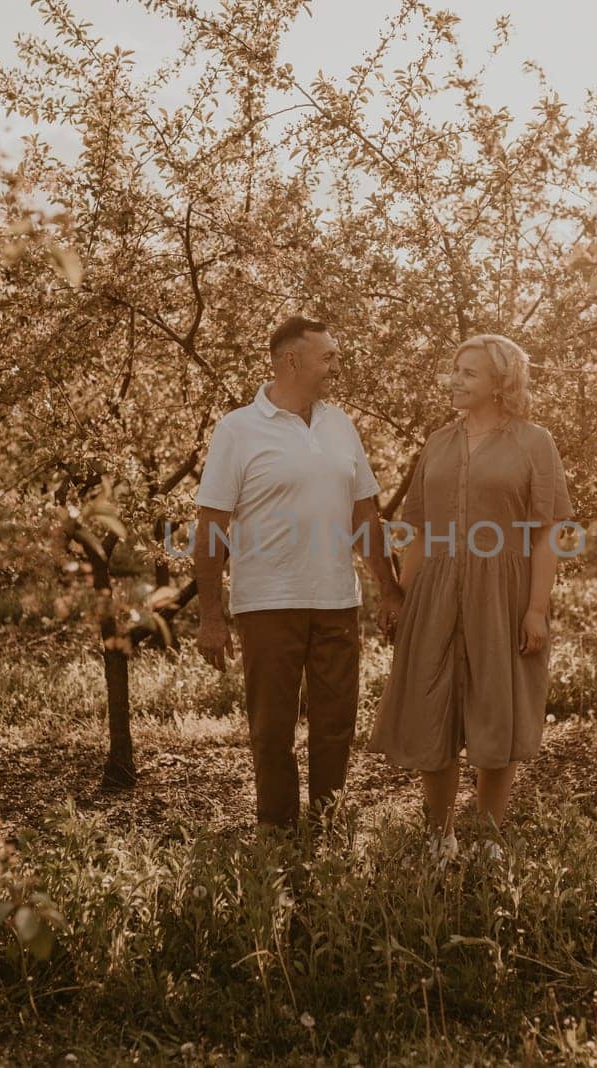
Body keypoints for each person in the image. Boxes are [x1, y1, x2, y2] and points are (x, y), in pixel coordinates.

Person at [193, 315, 402, 830]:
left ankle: (327, 825)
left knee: (336, 725)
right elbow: (211, 526)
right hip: (267, 603)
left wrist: (389, 589)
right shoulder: (237, 429)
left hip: (337, 601)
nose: (337, 365)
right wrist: (211, 617)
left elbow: (365, 514)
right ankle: (278, 832)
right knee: (272, 729)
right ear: (293, 360)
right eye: (327, 356)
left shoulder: (340, 424)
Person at [368, 334, 572, 855]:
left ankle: (487, 834)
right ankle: (439, 837)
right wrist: (402, 598)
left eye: (468, 373)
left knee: (494, 705)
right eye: (454, 370)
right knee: (431, 704)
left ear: (500, 385)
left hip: (502, 591)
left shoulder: (534, 443)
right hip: (434, 588)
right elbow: (417, 528)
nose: (454, 380)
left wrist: (536, 609)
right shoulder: (437, 442)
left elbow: (547, 532)